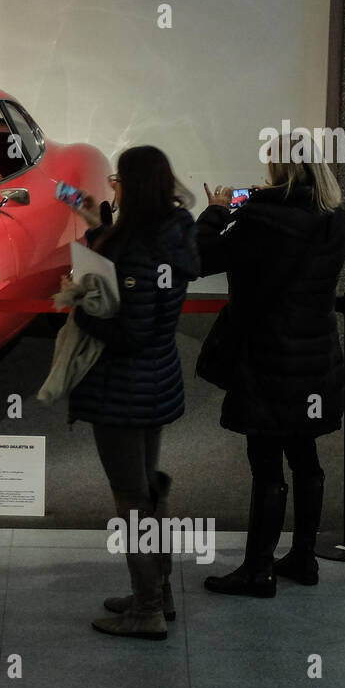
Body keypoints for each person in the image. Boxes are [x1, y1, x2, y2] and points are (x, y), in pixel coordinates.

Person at [196, 149, 345, 596]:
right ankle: (303, 558)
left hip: (268, 358)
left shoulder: (259, 220)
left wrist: (217, 210)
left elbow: (200, 257)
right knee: (306, 459)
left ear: (278, 173)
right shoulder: (335, 221)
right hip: (316, 358)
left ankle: (258, 569)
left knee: (266, 466)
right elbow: (344, 245)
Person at [68, 146, 200, 640]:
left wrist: (82, 302)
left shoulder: (140, 248)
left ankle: (145, 608)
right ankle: (158, 590)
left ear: (134, 185)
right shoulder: (174, 231)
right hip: (157, 378)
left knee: (132, 497)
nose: (113, 186)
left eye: (118, 179)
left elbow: (130, 329)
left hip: (124, 387)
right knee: (148, 488)